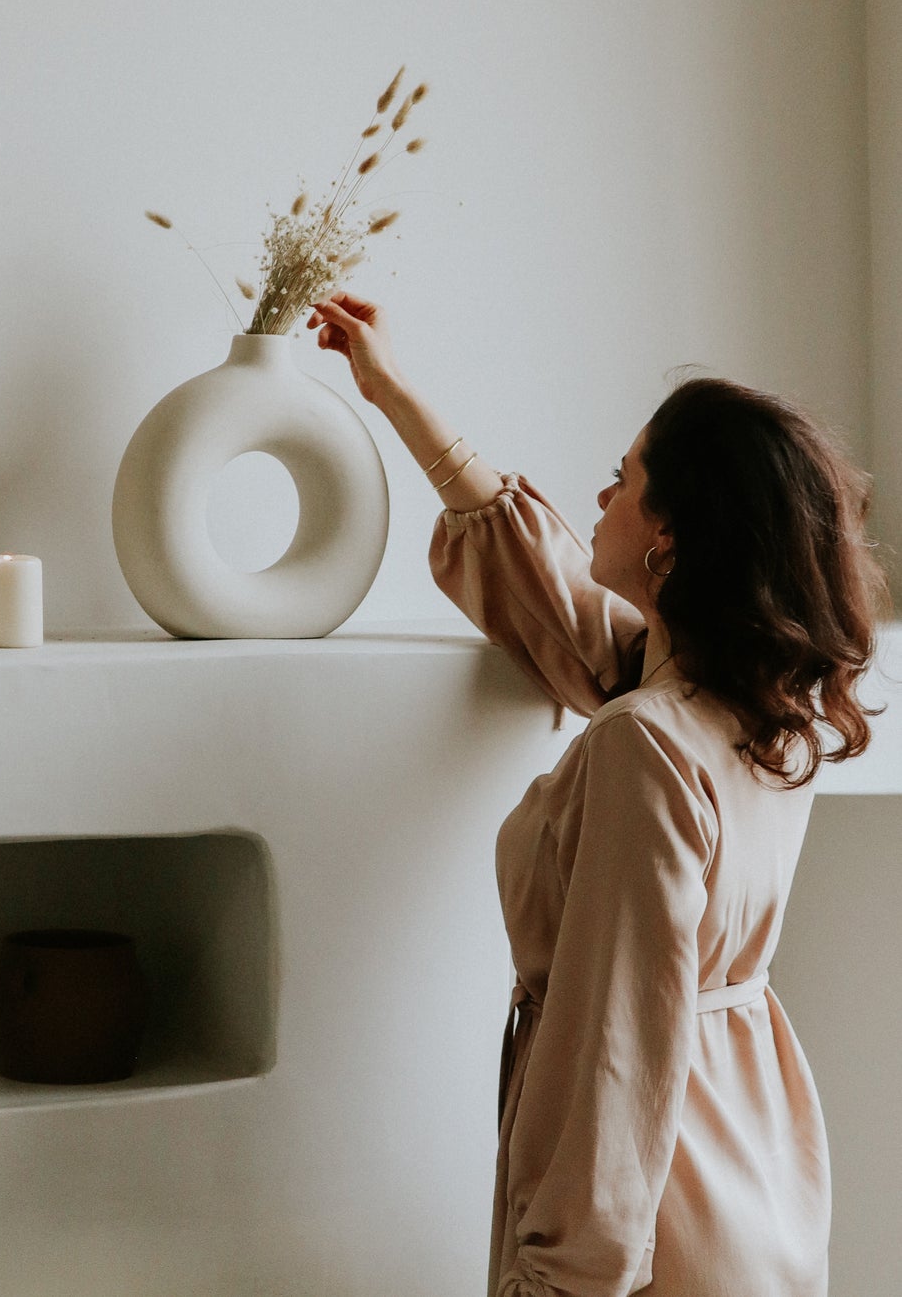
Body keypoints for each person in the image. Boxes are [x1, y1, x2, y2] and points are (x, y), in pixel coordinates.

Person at [306, 291, 886, 1297]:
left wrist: (559, 1277)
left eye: (623, 481)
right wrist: (393, 395)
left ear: (667, 536)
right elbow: (553, 602)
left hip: (656, 1212)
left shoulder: (641, 745)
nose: (600, 494)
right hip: (745, 1175)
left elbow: (611, 1050)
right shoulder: (754, 705)